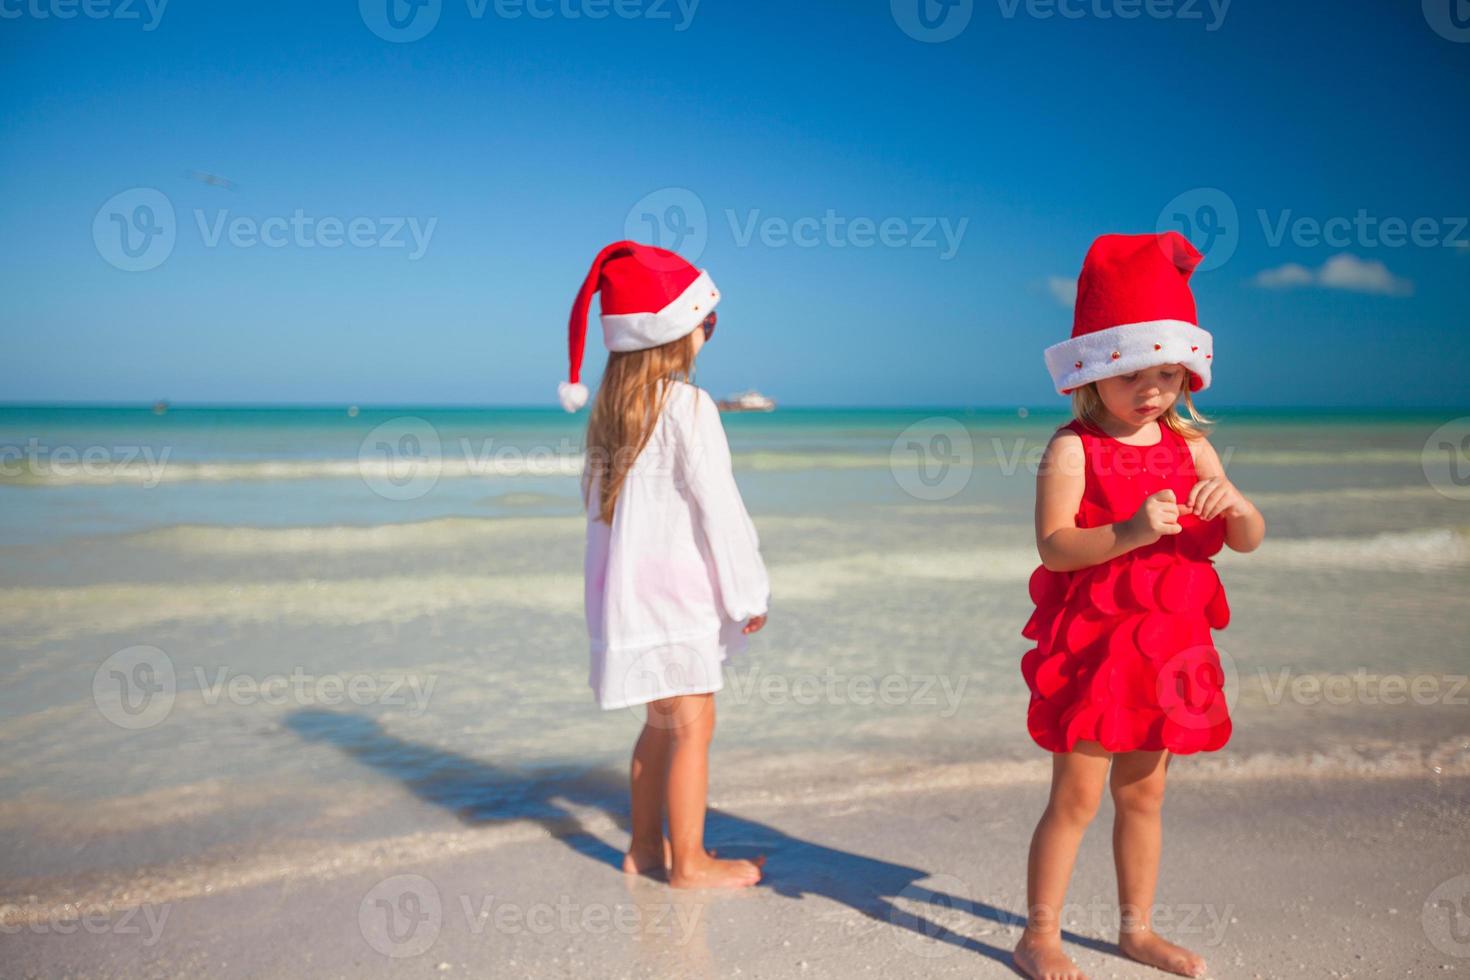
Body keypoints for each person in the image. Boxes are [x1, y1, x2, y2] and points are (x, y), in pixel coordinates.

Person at [1013, 232, 1267, 979]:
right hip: (1099, 648)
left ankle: (1137, 929)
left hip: (1169, 649)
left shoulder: (1191, 448)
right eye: (1133, 375)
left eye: (1168, 375)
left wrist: (1240, 505)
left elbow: (1244, 540)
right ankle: (1039, 936)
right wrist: (1125, 532)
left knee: (1145, 795)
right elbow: (1055, 547)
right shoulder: (1072, 450)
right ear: (1095, 372)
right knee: (1077, 798)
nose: (1152, 391)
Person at [559, 241, 771, 889]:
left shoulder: (611, 417)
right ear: (675, 333)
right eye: (704, 320)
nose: (709, 332)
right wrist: (748, 592)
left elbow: (602, 526)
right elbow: (720, 509)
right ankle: (691, 862)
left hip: (633, 604)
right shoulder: (688, 407)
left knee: (659, 725)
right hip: (679, 601)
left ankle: (645, 849)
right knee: (693, 729)